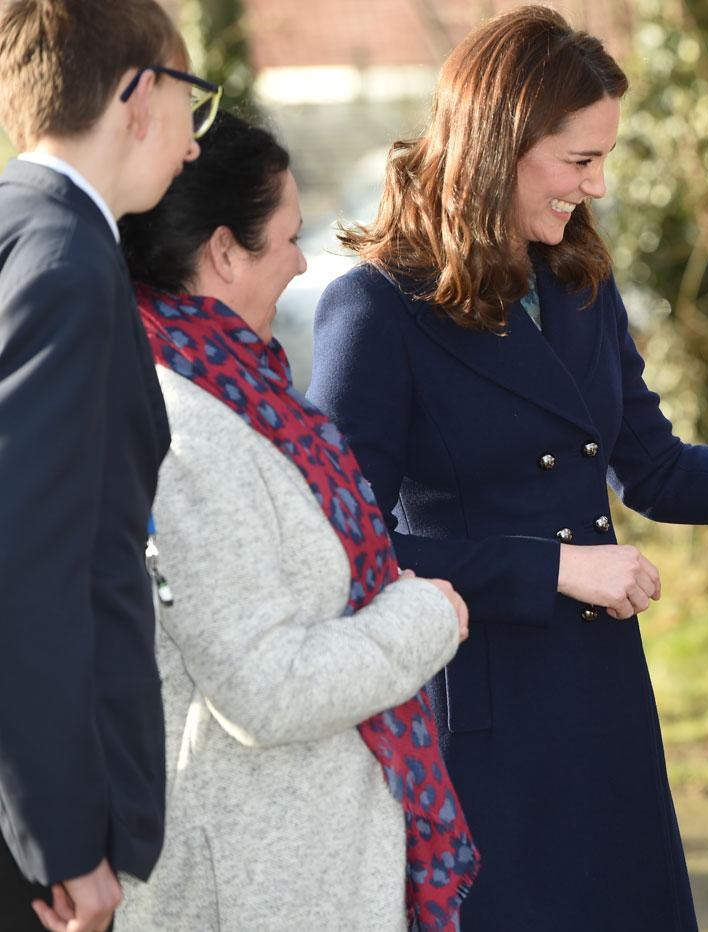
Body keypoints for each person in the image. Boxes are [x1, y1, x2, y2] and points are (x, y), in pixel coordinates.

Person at [306, 8, 708, 930]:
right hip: (473, 718)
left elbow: (659, 472)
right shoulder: (374, 308)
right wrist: (554, 566)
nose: (599, 186)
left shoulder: (577, 281)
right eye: (579, 161)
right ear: (499, 144)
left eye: (605, 159)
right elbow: (343, 547)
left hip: (597, 694)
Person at [115, 113, 478, 931]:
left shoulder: (243, 395)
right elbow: (265, 689)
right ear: (222, 251)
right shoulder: (187, 429)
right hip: (253, 886)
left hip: (294, 869)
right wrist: (424, 616)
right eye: (284, 237)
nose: (303, 260)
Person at [0, 2, 203, 929]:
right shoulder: (66, 263)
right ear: (139, 93)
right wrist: (64, 842)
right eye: (192, 103)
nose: (196, 145)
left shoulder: (25, 228)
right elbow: (30, 570)